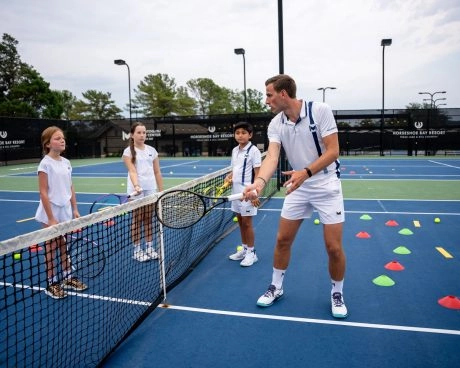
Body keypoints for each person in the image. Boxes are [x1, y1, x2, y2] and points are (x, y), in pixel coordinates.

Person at [244, 74, 348, 318]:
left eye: (269, 94)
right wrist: (258, 183)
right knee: (282, 240)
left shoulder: (320, 110)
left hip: (326, 184)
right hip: (297, 185)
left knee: (333, 248)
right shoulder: (275, 124)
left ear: (283, 94)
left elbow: (334, 151)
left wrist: (307, 172)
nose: (266, 100)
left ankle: (337, 292)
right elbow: (271, 157)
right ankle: (276, 287)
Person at [35, 126, 88, 299]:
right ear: (48, 144)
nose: (62, 140)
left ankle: (67, 277)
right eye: (57, 138)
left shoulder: (66, 163)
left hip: (65, 210)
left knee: (63, 245)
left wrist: (75, 209)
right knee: (50, 247)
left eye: (63, 138)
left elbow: (70, 187)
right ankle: (52, 283)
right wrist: (50, 218)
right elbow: (43, 192)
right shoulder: (45, 164)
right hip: (49, 211)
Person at [123, 122, 164, 262]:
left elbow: (157, 172)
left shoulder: (152, 150)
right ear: (132, 135)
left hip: (151, 189)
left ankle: (149, 247)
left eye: (144, 132)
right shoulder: (128, 152)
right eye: (139, 132)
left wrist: (161, 191)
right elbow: (132, 171)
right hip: (136, 190)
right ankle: (137, 250)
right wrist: (136, 186)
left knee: (148, 219)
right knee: (137, 219)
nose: (142, 135)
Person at [226, 122, 262, 267]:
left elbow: (259, 174)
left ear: (250, 135)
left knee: (247, 223)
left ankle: (252, 253)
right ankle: (245, 249)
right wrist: (229, 176)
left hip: (248, 193)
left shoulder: (254, 151)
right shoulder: (235, 150)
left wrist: (255, 193)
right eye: (237, 133)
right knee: (240, 222)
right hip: (236, 193)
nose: (240, 135)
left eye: (243, 132)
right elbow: (235, 169)